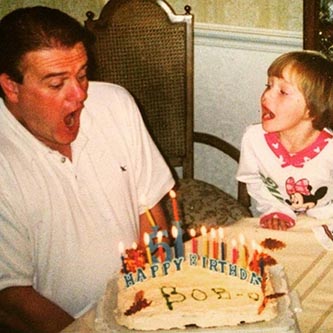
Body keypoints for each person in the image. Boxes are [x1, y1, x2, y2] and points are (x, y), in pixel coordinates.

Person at [0, 6, 175, 333]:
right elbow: (13, 300)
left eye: (82, 75)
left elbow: (149, 211)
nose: (80, 95)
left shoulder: (115, 103)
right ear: (11, 87)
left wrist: (155, 302)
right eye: (56, 84)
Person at [237, 51, 333, 230]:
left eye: (283, 91)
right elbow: (254, 181)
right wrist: (276, 209)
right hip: (283, 227)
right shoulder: (253, 139)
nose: (266, 96)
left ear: (312, 110)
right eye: (268, 85)